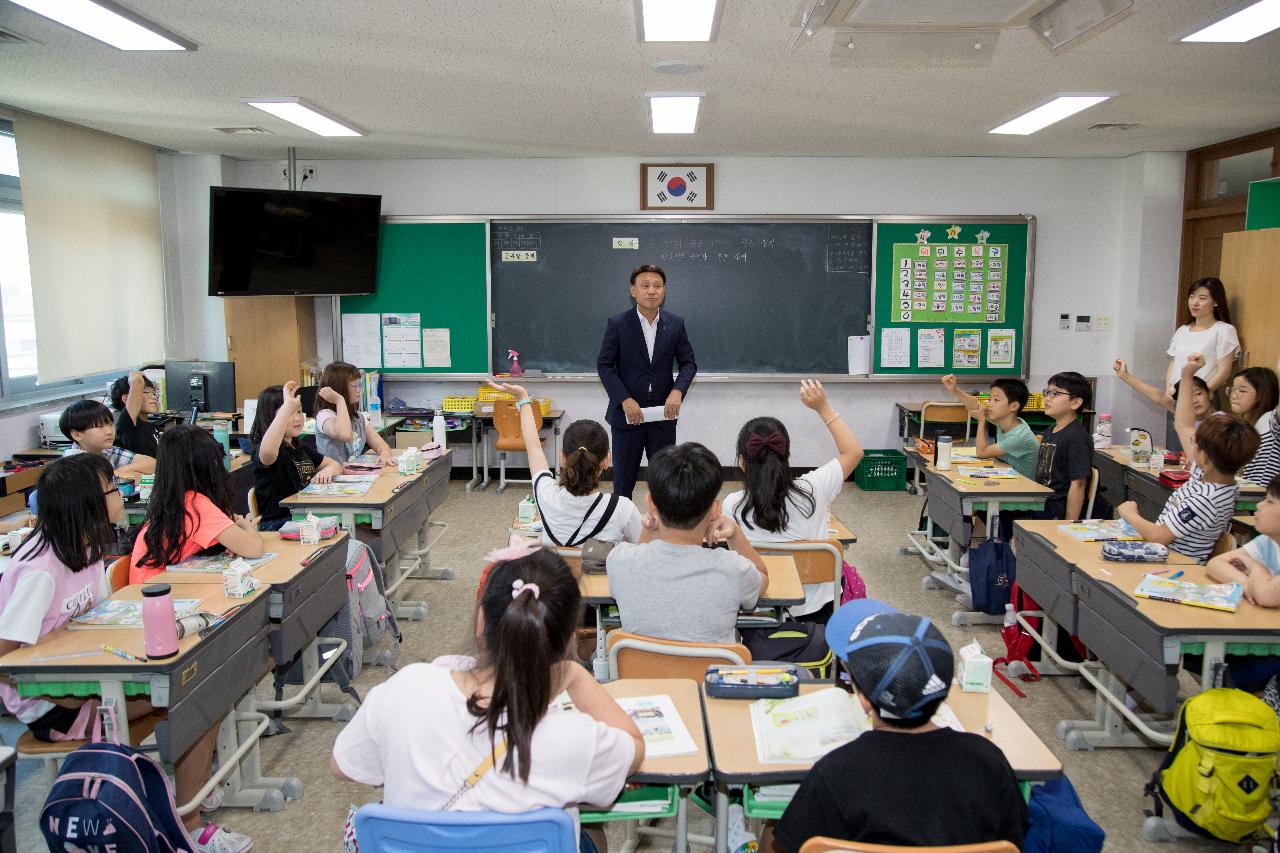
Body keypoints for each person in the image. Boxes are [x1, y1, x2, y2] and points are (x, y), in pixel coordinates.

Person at [0, 454, 250, 852]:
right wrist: (52, 687)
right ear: (87, 503)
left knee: (202, 688)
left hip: (95, 676)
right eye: (113, 487)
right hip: (53, 703)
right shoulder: (40, 571)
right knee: (195, 698)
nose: (122, 492)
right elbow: (4, 654)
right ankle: (187, 820)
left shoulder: (83, 550)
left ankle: (188, 790)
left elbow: (103, 616)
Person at [330, 541, 643, 853]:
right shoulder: (574, 737)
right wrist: (575, 675)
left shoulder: (405, 687)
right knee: (589, 831)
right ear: (566, 644)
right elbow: (634, 747)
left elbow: (343, 766)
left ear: (481, 622)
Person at [766, 599, 1027, 852]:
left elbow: (785, 846)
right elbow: (1012, 841)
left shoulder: (835, 772)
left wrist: (772, 826)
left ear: (865, 700)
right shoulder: (990, 763)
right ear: (944, 689)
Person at [722, 380, 862, 620]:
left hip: (758, 614)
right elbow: (854, 452)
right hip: (818, 612)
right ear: (787, 454)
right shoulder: (813, 490)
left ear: (742, 461)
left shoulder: (732, 506)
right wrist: (822, 407)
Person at [606, 442, 767, 644]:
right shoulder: (734, 568)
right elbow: (763, 577)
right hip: (709, 675)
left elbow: (636, 567)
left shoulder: (620, 560)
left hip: (642, 676)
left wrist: (648, 529)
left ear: (650, 504)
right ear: (716, 510)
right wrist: (735, 533)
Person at [1118, 355, 1259, 564]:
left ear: (1204, 456)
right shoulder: (1212, 475)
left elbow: (1159, 537)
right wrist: (1187, 374)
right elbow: (1183, 424)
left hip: (1175, 566)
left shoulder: (1207, 498)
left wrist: (1130, 514)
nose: (1191, 439)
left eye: (1196, 442)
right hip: (1163, 556)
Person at [489, 380, 641, 547]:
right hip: (600, 574)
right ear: (607, 460)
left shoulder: (546, 496)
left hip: (557, 573)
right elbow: (645, 551)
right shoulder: (623, 509)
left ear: (563, 458)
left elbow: (533, 448)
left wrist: (523, 398)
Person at [596, 264, 697, 500]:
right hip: (627, 417)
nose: (651, 291)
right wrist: (624, 399)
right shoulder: (618, 323)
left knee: (665, 484)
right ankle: (623, 533)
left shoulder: (675, 323)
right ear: (633, 291)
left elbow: (689, 364)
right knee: (622, 485)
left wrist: (677, 391)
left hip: (663, 416)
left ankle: (665, 533)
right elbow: (605, 366)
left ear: (664, 290)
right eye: (645, 286)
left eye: (657, 286)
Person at [129, 425, 265, 584]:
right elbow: (254, 548)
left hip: (154, 590)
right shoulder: (195, 504)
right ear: (204, 466)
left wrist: (234, 541)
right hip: (156, 594)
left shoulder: (176, 499)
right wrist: (245, 525)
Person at [250, 382, 341, 531]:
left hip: (305, 516)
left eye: (298, 412)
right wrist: (288, 407)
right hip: (281, 524)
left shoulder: (298, 446)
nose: (297, 419)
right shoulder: (267, 448)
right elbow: (267, 454)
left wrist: (328, 470)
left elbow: (335, 465)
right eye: (288, 413)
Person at [939, 375, 1039, 479]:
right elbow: (976, 406)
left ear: (1013, 406)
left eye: (996, 400)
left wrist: (981, 420)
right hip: (1010, 477)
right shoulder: (1007, 420)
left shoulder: (1019, 436)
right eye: (989, 399)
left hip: (1024, 488)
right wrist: (954, 390)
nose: (989, 403)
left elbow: (981, 453)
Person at [1208, 475, 1280, 606]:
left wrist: (1255, 566)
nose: (1259, 505)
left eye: (1269, 502)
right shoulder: (1269, 541)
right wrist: (1247, 584)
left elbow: (1265, 595)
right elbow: (1215, 564)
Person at [1165, 277, 1239, 397]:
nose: (1195, 302)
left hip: (1203, 400)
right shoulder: (1182, 331)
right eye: (1192, 297)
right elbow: (1173, 366)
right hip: (1176, 396)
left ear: (1216, 302)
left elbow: (1224, 372)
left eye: (1202, 298)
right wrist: (1169, 390)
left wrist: (1199, 396)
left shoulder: (1224, 330)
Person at [313, 361, 396, 466]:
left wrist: (385, 453)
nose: (359, 390)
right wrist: (340, 400)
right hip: (333, 477)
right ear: (339, 388)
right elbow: (344, 434)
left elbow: (379, 443)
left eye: (360, 385)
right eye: (354, 386)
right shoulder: (324, 416)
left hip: (353, 476)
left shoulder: (358, 417)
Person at [1036, 371, 1094, 521]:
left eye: (1055, 394)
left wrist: (1069, 523)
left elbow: (1079, 485)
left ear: (1075, 403)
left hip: (1055, 507)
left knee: (1003, 511)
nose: (1047, 398)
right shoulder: (1051, 430)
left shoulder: (1077, 438)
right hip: (1042, 499)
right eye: (1047, 392)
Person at [59, 399, 154, 480]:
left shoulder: (107, 451)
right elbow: (99, 483)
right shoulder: (71, 462)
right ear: (77, 434)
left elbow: (154, 464)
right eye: (100, 426)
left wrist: (121, 471)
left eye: (111, 424)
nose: (109, 431)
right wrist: (118, 476)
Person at [1113, 360, 1220, 421]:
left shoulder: (1223, 422)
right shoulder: (1185, 416)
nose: (1194, 400)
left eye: (1198, 393)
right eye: (1187, 397)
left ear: (1210, 394)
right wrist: (1124, 375)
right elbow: (1159, 397)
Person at [109, 370, 161, 457]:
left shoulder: (155, 428)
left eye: (154, 393)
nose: (154, 397)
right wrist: (135, 376)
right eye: (146, 392)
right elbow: (136, 380)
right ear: (126, 399)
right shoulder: (127, 426)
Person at [1226, 367, 1279, 434]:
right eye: (1233, 389)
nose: (1233, 396)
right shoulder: (1237, 425)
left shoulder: (1269, 420)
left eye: (1242, 391)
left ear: (1263, 394)